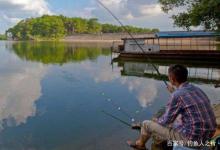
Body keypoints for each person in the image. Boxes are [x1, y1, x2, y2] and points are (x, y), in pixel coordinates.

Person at [127, 64, 217, 150]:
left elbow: (166, 121)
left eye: (169, 77)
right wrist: (174, 92)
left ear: (172, 79)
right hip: (208, 135)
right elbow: (185, 99)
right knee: (175, 117)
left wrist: (156, 121)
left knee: (146, 124)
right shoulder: (197, 89)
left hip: (191, 140)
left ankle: (140, 144)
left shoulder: (177, 95)